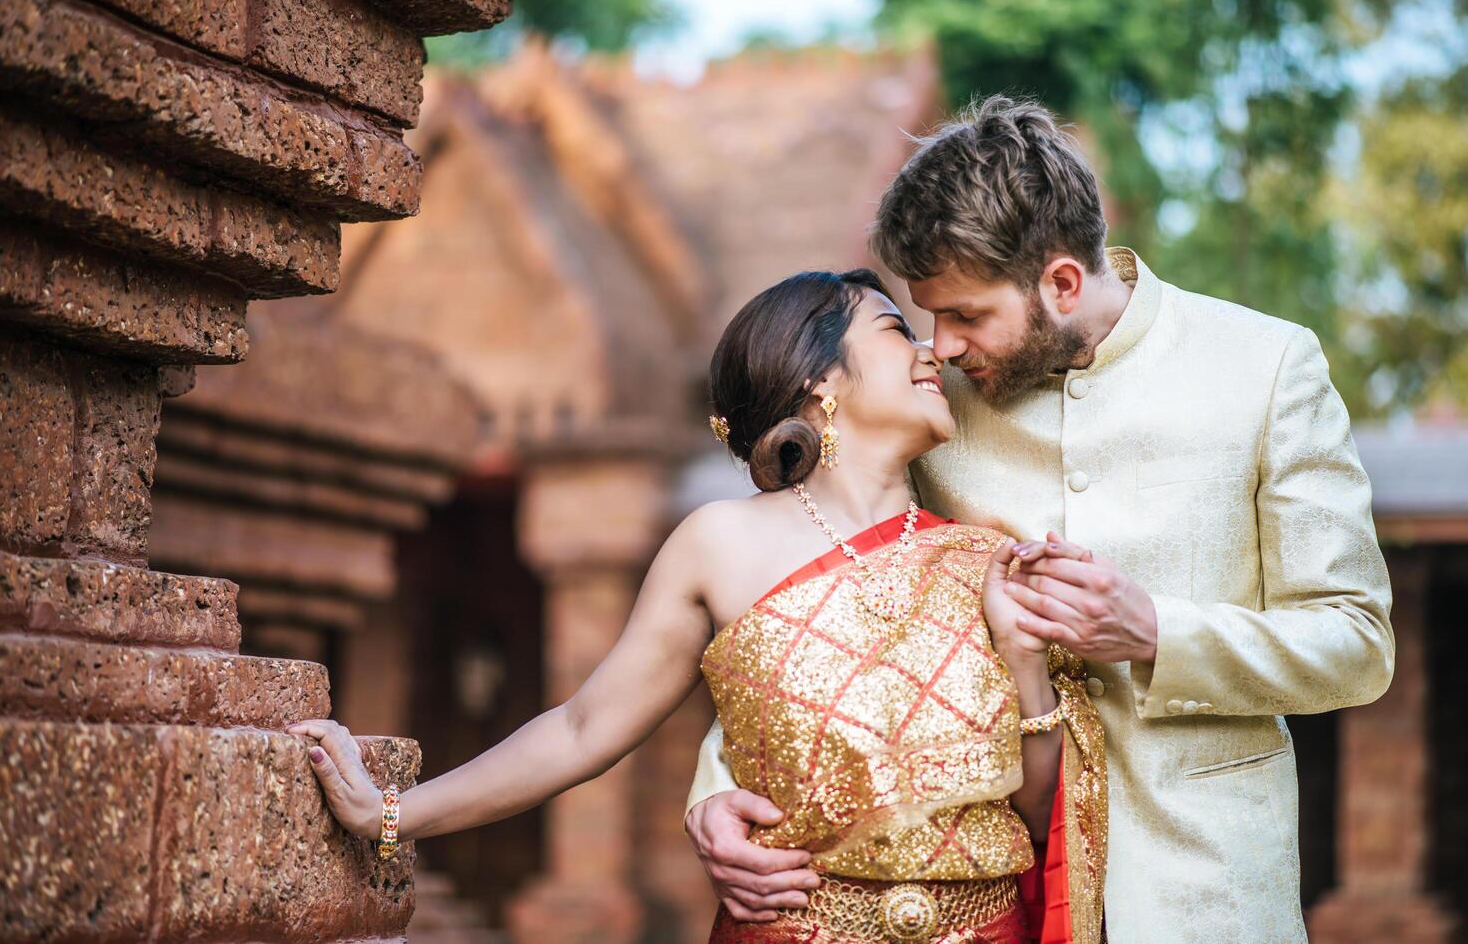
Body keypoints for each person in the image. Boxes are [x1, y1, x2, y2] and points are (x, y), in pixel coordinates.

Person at [683, 96, 1395, 943]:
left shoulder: (1266, 368)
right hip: (985, 900)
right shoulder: (928, 409)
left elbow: (1354, 644)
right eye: (927, 315)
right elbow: (812, 597)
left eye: (966, 315)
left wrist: (1153, 632)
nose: (939, 346)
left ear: (1060, 282)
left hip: (1200, 893)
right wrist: (714, 788)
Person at [290, 268, 1107, 943]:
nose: (932, 351)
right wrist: (390, 814)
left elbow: (1035, 817)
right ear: (820, 378)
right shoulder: (719, 543)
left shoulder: (981, 558)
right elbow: (582, 730)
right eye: (897, 331)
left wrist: (1026, 661)